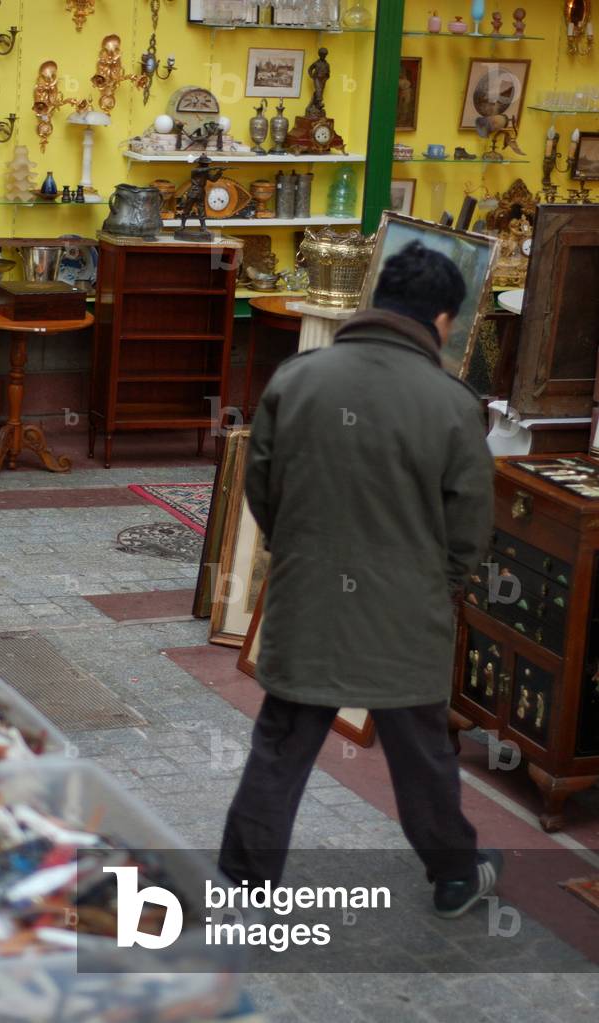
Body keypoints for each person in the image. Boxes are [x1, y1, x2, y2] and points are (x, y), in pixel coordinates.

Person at [218, 241, 502, 920]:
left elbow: (263, 487)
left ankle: (247, 877)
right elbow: (469, 524)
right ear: (441, 321)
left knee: (283, 739)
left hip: (308, 595)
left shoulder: (298, 378)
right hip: (406, 611)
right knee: (422, 751)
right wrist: (442, 586)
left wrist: (302, 552)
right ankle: (456, 875)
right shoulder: (453, 405)